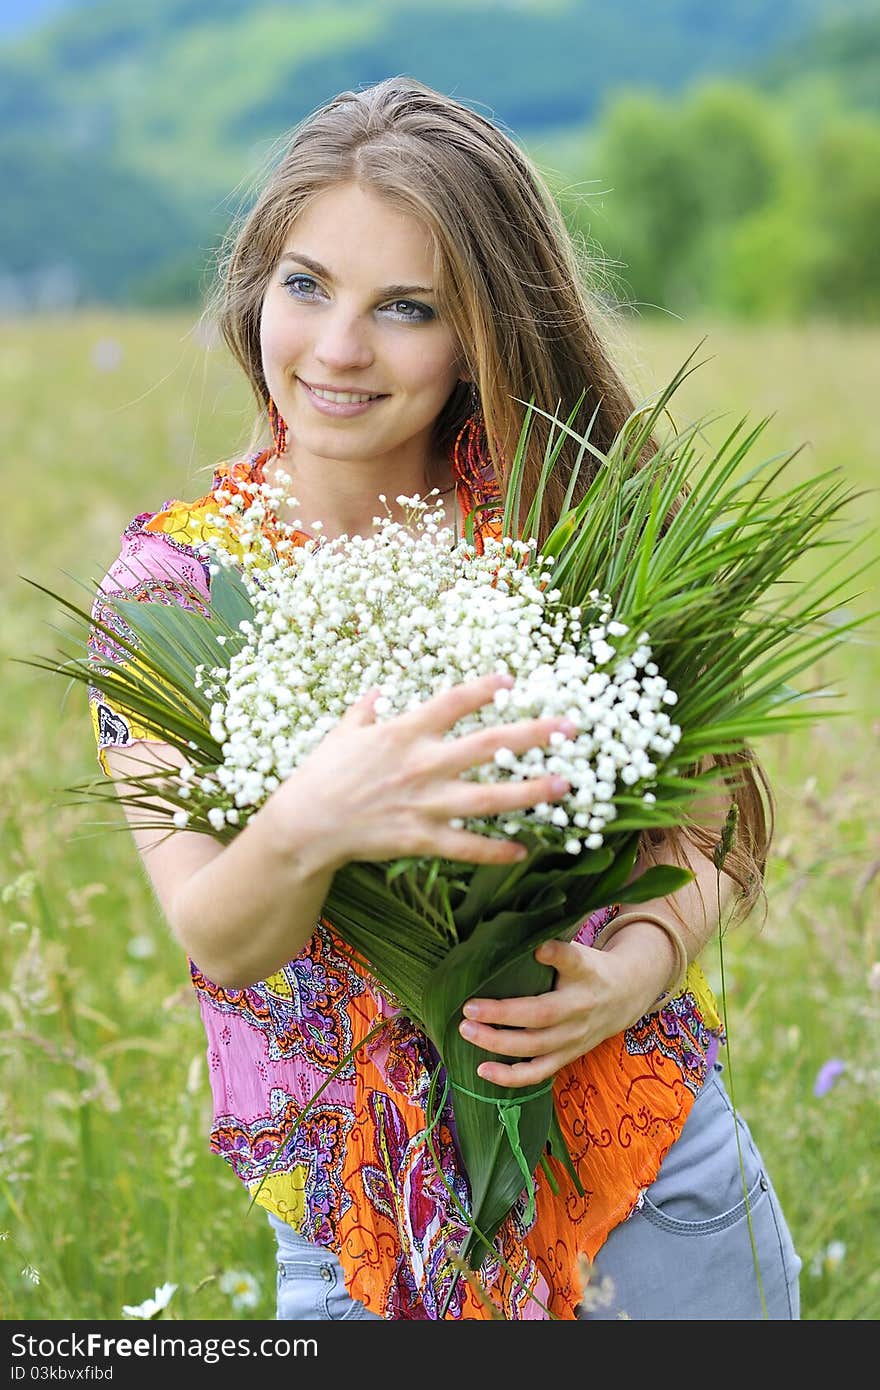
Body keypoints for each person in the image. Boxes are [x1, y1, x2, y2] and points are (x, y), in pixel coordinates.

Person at [88, 76, 802, 1321]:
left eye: (406, 308)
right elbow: (222, 934)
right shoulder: (172, 593)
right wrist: (319, 817)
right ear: (258, 285)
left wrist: (638, 965)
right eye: (306, 285)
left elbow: (711, 820)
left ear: (479, 331)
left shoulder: (567, 525)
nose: (338, 348)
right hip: (358, 1238)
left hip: (652, 1192)